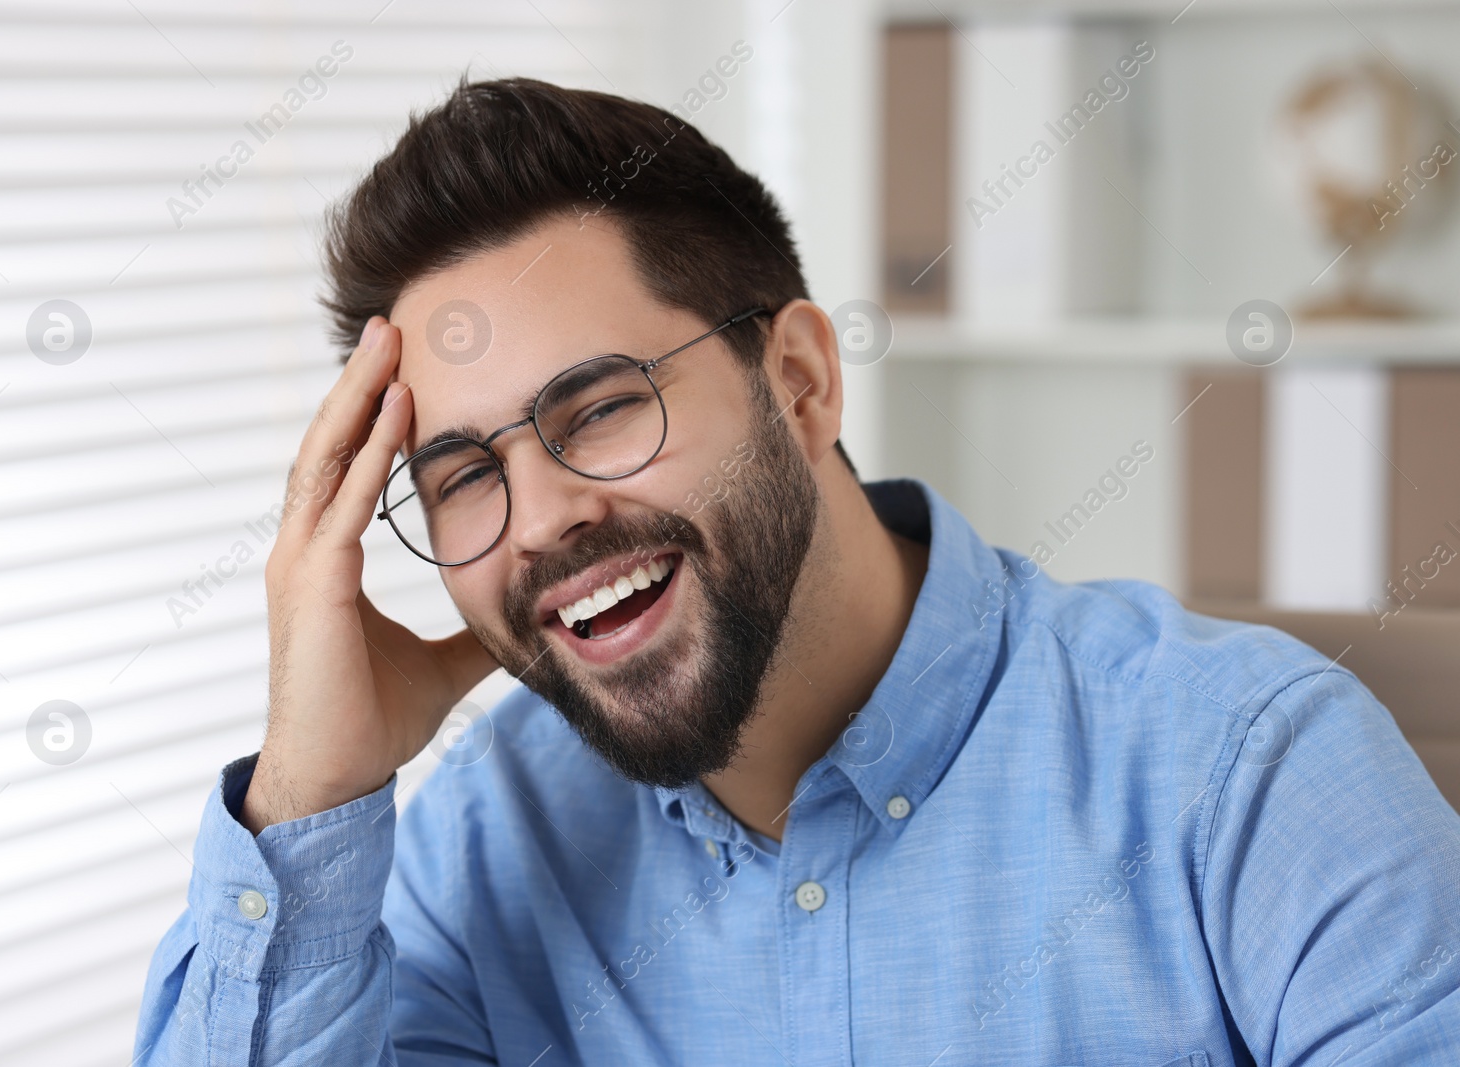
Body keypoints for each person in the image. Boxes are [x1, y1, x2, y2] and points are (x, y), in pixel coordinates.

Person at [133, 78, 1460, 1065]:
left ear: (802, 383)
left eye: (598, 411)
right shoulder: (484, 850)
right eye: (464, 475)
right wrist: (316, 788)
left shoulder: (1248, 776)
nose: (536, 523)